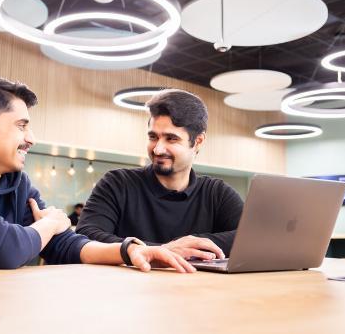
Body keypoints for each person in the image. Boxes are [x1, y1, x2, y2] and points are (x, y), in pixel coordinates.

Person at [0, 76, 194, 273]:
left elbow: (62, 245)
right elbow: (4, 248)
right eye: (22, 125)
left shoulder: (15, 182)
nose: (31, 137)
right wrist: (48, 224)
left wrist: (130, 250)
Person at [76, 89, 244, 261]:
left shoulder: (216, 193)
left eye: (171, 139)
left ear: (198, 142)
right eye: (153, 137)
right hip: (130, 286)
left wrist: (189, 245)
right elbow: (86, 237)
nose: (158, 149)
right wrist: (165, 250)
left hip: (197, 287)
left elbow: (252, 237)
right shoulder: (118, 183)